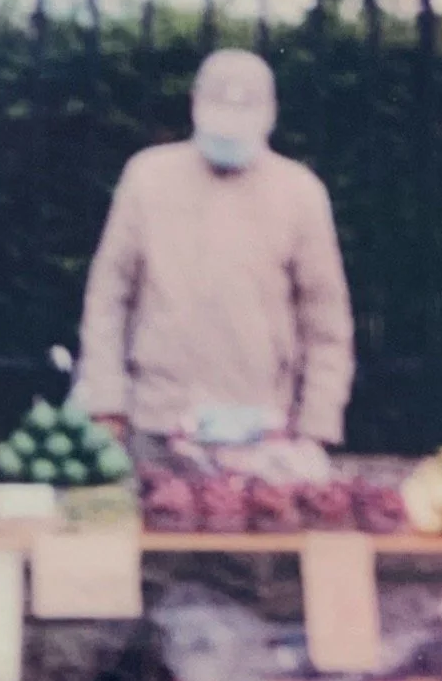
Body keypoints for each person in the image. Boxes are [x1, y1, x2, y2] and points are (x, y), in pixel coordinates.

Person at [71, 47, 355, 468]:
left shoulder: (299, 192)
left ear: (269, 117)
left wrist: (317, 425)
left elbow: (326, 322)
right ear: (196, 109)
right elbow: (108, 295)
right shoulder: (147, 178)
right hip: (157, 418)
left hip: (262, 426)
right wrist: (106, 398)